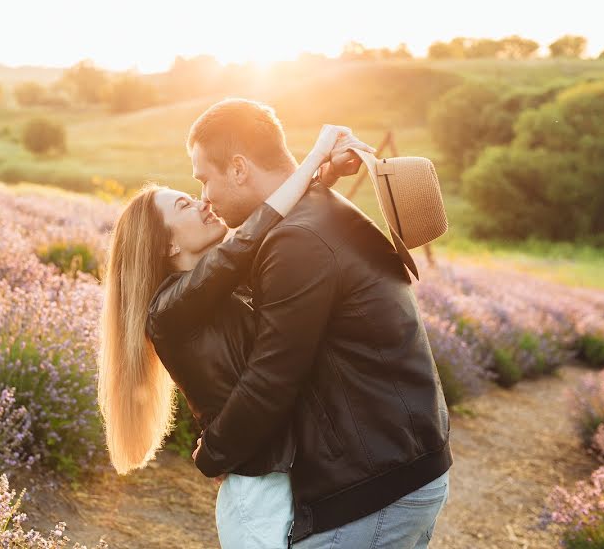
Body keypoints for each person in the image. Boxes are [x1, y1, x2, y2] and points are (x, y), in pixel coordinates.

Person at [187, 98, 452, 549]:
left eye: (204, 179)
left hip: (374, 486)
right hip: (399, 466)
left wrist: (212, 453)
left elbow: (271, 379)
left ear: (237, 168)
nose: (203, 196)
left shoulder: (298, 240)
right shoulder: (311, 212)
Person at [98, 124, 361, 547]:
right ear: (165, 246)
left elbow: (266, 237)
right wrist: (313, 157)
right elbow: (254, 233)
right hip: (256, 492)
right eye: (185, 205)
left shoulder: (215, 289)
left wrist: (323, 178)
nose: (203, 203)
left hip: (280, 476)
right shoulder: (168, 309)